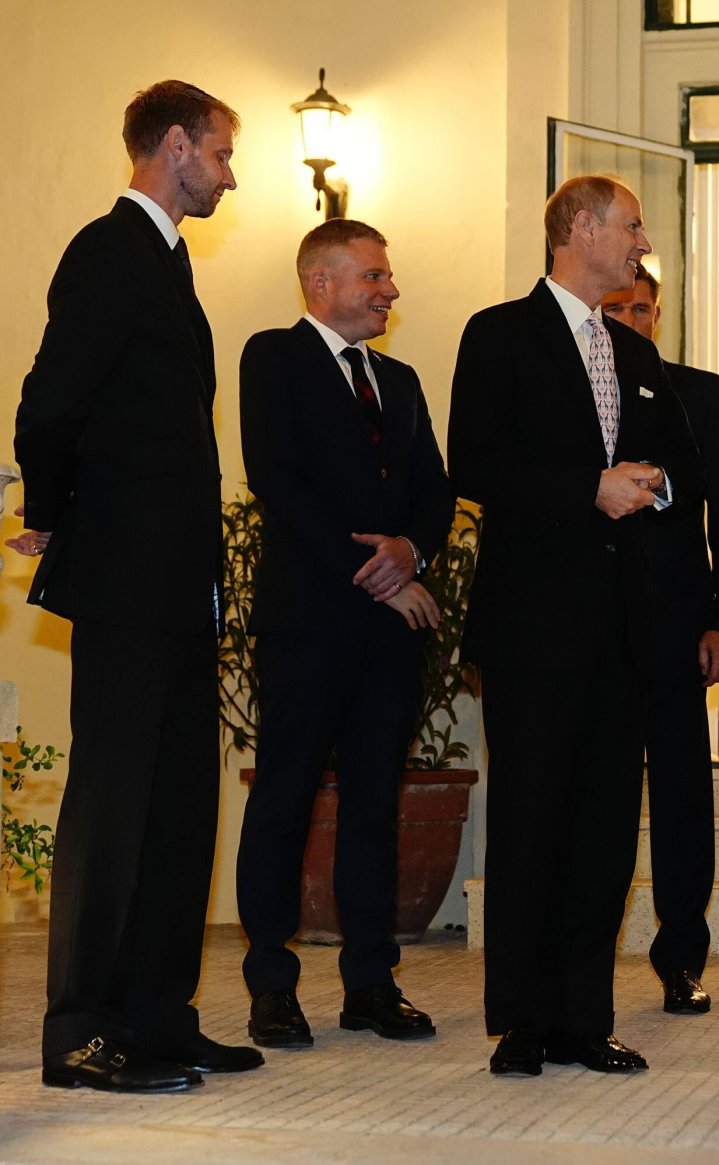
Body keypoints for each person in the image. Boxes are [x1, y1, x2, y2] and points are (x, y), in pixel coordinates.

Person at [8, 80, 261, 1092]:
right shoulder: (107, 249)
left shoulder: (166, 259)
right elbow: (51, 395)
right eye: (221, 150)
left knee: (179, 806)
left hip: (180, 583)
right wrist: (54, 510)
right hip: (124, 577)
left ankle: (157, 1016)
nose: (230, 172)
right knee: (115, 805)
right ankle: (80, 1030)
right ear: (172, 145)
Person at [448, 175, 701, 1077]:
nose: (641, 242)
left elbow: (683, 460)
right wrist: (585, 489)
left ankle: (583, 1016)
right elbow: (472, 461)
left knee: (602, 828)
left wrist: (654, 483)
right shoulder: (500, 333)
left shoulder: (633, 352)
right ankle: (521, 1020)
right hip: (531, 628)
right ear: (580, 228)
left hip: (624, 629)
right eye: (630, 225)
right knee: (529, 819)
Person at [236, 219, 454, 1050]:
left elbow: (435, 490)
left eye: (387, 277)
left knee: (375, 805)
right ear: (320, 283)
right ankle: (270, 985)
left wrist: (413, 551)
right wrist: (380, 576)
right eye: (373, 276)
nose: (389, 290)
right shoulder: (273, 357)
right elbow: (278, 483)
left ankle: (371, 981)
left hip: (388, 638)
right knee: (285, 797)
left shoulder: (398, 380)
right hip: (308, 624)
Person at [601, 266, 719, 1014]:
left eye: (641, 306)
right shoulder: (578, 390)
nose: (630, 317)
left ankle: (681, 958)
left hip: (677, 627)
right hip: (593, 631)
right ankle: (586, 958)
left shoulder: (700, 392)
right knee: (597, 797)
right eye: (615, 307)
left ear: (659, 312)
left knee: (683, 799)